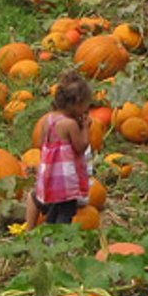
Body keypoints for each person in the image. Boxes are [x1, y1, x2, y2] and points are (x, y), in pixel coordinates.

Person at [24, 72, 94, 228]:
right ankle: (58, 241)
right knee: (66, 212)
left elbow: (42, 142)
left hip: (50, 177)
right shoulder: (69, 125)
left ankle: (48, 233)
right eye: (86, 105)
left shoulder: (48, 119)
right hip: (65, 180)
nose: (86, 109)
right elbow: (80, 147)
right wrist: (85, 128)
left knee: (55, 208)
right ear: (77, 102)